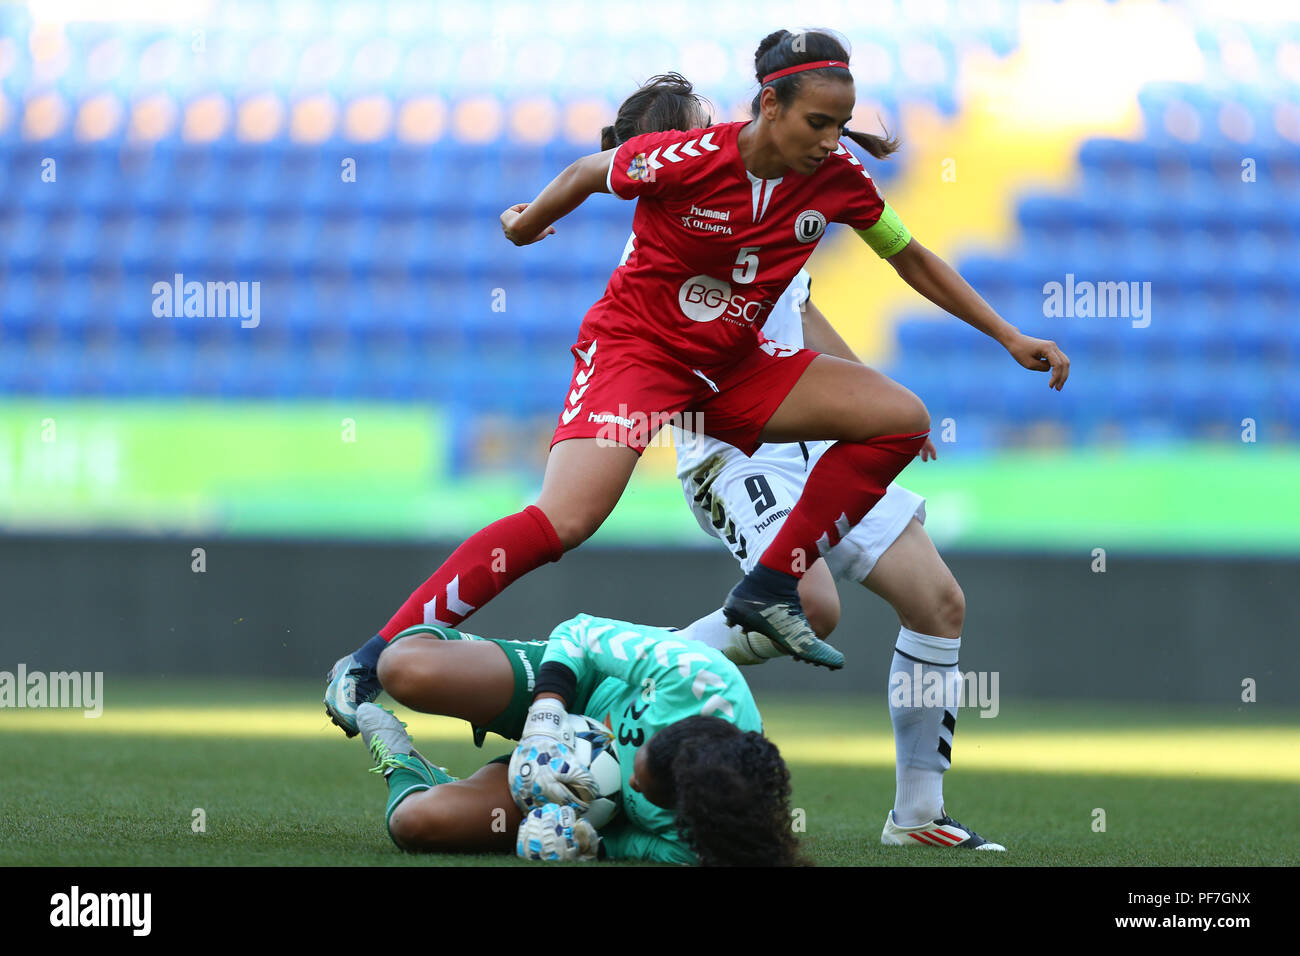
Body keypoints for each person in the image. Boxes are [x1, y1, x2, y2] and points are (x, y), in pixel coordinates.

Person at [325, 28, 1068, 736]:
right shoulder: (691, 158)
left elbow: (910, 258)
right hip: (638, 356)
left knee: (900, 417)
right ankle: (375, 653)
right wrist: (524, 224)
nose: (831, 139)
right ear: (768, 107)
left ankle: (770, 590)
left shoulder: (837, 181)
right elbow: (591, 171)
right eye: (817, 121)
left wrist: (1009, 335)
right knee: (566, 521)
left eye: (840, 124)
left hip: (733, 368)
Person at [596, 72, 1002, 850]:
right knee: (809, 606)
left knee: (937, 601)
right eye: (698, 128)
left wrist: (874, 401)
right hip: (736, 448)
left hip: (821, 438)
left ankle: (917, 815)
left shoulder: (768, 197)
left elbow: (803, 310)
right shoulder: (665, 229)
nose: (720, 137)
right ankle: (625, 683)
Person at [352, 614, 806, 865]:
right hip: (580, 687)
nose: (634, 781)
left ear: (685, 806)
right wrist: (545, 722)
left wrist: (585, 841)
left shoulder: (698, 843)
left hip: (573, 793)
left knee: (417, 824)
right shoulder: (698, 677)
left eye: (642, 789)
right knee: (404, 668)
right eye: (639, 756)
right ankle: (470, 652)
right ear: (678, 725)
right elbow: (581, 633)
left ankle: (408, 767)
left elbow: (633, 845)